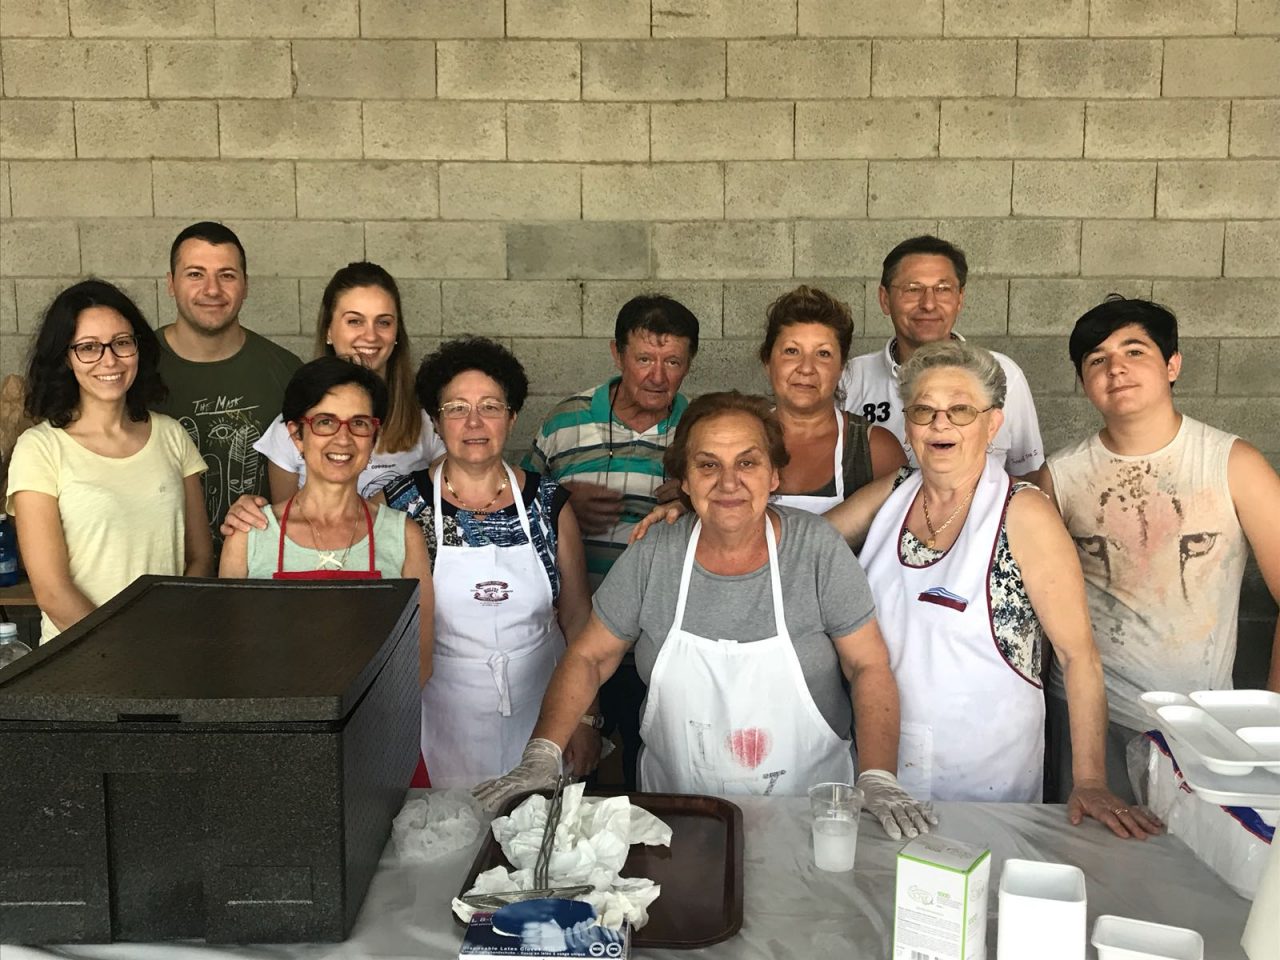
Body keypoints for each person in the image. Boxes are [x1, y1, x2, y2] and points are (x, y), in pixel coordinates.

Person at [476, 391, 937, 842]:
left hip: (808, 820)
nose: (729, 482)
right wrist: (542, 753)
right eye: (708, 465)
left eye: (748, 462)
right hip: (674, 822)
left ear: (774, 475)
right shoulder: (655, 554)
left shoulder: (816, 550)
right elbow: (589, 657)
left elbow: (868, 666)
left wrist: (878, 776)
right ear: (685, 480)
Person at [825, 340, 1160, 839]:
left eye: (961, 410)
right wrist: (698, 515)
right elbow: (802, 547)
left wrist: (1089, 780)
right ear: (908, 423)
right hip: (881, 767)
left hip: (985, 781)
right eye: (924, 410)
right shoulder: (891, 493)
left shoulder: (1023, 512)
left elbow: (1078, 655)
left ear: (993, 423)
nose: (941, 424)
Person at [1039, 297, 1280, 803]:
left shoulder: (1232, 462)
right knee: (1096, 865)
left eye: (1134, 351)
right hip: (1091, 722)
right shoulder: (1059, 476)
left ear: (1172, 364)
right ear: (1083, 381)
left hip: (1204, 723)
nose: (1116, 369)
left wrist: (1270, 721)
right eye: (1097, 359)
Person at [381, 337, 595, 787]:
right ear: (436, 422)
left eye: (491, 407)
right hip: (438, 717)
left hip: (542, 716)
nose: (473, 422)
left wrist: (585, 718)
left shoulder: (549, 504)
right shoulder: (400, 504)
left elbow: (577, 620)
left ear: (512, 416)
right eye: (457, 407)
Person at [523, 294, 699, 790]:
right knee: (579, 784)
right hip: (579, 642)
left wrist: (693, 501)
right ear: (617, 354)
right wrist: (560, 506)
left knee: (661, 783)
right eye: (644, 359)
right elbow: (521, 515)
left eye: (673, 362)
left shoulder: (701, 428)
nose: (657, 376)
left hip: (664, 645)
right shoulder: (565, 422)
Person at [8, 280, 212, 643]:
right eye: (88, 347)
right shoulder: (39, 449)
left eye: (121, 342)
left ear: (138, 348)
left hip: (170, 652)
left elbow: (199, 557)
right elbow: (52, 591)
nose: (110, 360)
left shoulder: (170, 435)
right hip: (80, 663)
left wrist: (170, 635)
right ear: (65, 358)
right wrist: (126, 651)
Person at [219, 357, 432, 683]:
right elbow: (232, 659)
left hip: (374, 724)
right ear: (296, 435)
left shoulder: (404, 536)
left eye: (359, 423)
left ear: (373, 438)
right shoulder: (250, 535)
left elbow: (419, 664)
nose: (343, 439)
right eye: (325, 422)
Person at [838, 235, 1044, 476]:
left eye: (943, 289)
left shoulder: (1005, 374)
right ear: (885, 299)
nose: (928, 304)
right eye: (913, 289)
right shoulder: (851, 378)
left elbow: (1028, 474)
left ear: (960, 299)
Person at [154, 221, 301, 555]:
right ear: (170, 284)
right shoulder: (132, 366)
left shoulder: (287, 372)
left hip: (257, 569)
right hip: (159, 569)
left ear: (245, 285)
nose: (212, 289)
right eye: (195, 274)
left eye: (227, 275)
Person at [253, 262, 443, 502]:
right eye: (355, 321)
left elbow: (466, 491)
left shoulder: (427, 420)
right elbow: (283, 527)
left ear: (397, 334)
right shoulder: (290, 427)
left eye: (383, 322)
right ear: (328, 330)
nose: (371, 335)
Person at [761, 285, 905, 514]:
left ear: (841, 368)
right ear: (767, 361)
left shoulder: (875, 450)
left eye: (823, 354)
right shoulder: (737, 439)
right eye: (791, 351)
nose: (806, 368)